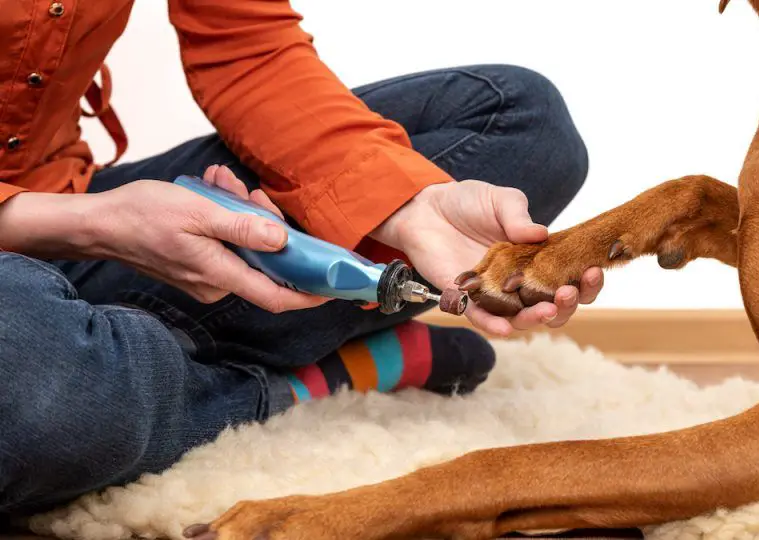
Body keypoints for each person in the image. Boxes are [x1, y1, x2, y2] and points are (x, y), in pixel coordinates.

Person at [0, 0, 603, 519]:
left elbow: (247, 49)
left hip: (63, 197)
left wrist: (405, 205)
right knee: (50, 397)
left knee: (527, 123)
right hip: (54, 236)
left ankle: (117, 357)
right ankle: (302, 379)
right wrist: (88, 227)